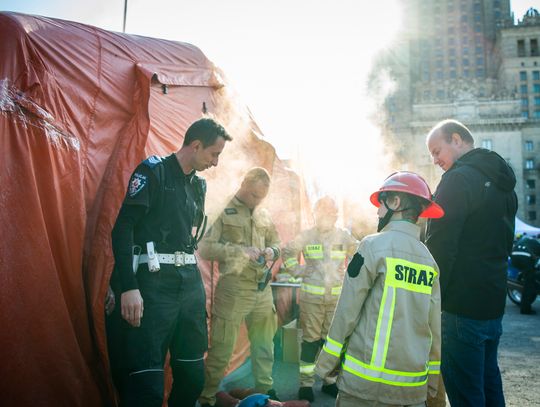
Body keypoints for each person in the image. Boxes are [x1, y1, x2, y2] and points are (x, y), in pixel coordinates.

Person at [107, 117, 231, 407]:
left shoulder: (198, 186)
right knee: (145, 385)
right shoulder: (153, 172)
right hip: (152, 286)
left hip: (188, 285)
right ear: (196, 145)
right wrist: (129, 287)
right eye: (214, 154)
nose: (216, 163)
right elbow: (123, 229)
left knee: (193, 378)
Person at [316, 171, 443, 407]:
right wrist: (433, 385)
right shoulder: (429, 262)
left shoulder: (372, 246)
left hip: (365, 388)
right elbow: (434, 331)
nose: (377, 211)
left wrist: (326, 363)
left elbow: (347, 311)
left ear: (396, 202)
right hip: (412, 390)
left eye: (382, 203)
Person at [425, 119, 518, 407]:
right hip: (492, 304)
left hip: (460, 308)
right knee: (490, 385)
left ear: (457, 139)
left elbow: (440, 245)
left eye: (437, 150)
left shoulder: (457, 179)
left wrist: (434, 298)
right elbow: (505, 243)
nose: (436, 160)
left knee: (466, 394)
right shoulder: (504, 183)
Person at [198, 167, 281, 407]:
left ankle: (264, 391)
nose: (257, 200)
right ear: (244, 184)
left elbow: (275, 241)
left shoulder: (263, 213)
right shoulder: (223, 209)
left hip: (262, 289)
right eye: (254, 194)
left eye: (261, 197)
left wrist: (271, 251)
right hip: (234, 289)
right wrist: (239, 251)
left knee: (265, 344)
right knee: (222, 349)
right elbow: (204, 247)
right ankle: (208, 398)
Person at [281, 196, 358, 402]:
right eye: (323, 212)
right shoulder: (306, 236)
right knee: (310, 342)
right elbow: (287, 251)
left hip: (335, 301)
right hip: (311, 301)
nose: (327, 216)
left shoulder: (343, 236)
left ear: (335, 215)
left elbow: (360, 253)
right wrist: (297, 269)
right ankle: (305, 385)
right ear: (317, 214)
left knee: (331, 343)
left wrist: (352, 273)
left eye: (330, 213)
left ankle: (329, 381)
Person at [510, 236, 540, 315]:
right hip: (524, 257)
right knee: (529, 283)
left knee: (529, 273)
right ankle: (525, 309)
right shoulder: (537, 244)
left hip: (514, 257)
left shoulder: (531, 241)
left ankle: (521, 275)